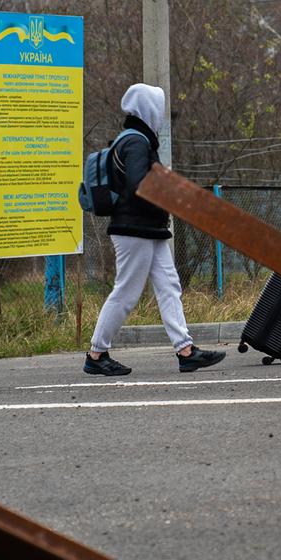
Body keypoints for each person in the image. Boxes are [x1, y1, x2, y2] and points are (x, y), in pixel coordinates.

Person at [84, 83, 226, 376]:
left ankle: (186, 350)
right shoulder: (136, 142)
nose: (160, 115)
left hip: (147, 227)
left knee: (169, 286)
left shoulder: (134, 139)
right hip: (134, 227)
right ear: (148, 109)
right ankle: (96, 354)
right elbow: (139, 185)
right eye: (157, 108)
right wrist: (170, 199)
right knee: (126, 292)